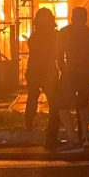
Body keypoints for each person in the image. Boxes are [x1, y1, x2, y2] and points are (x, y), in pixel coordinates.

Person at [52, 6, 89, 153]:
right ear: (86, 18)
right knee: (83, 103)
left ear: (72, 17)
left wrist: (63, 70)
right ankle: (85, 138)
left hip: (72, 73)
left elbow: (59, 56)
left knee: (60, 105)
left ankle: (73, 140)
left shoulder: (64, 32)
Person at [24, 8, 62, 149]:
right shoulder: (55, 35)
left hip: (34, 71)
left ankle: (28, 125)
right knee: (55, 103)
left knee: (32, 97)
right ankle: (51, 133)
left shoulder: (34, 37)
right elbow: (57, 53)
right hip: (48, 72)